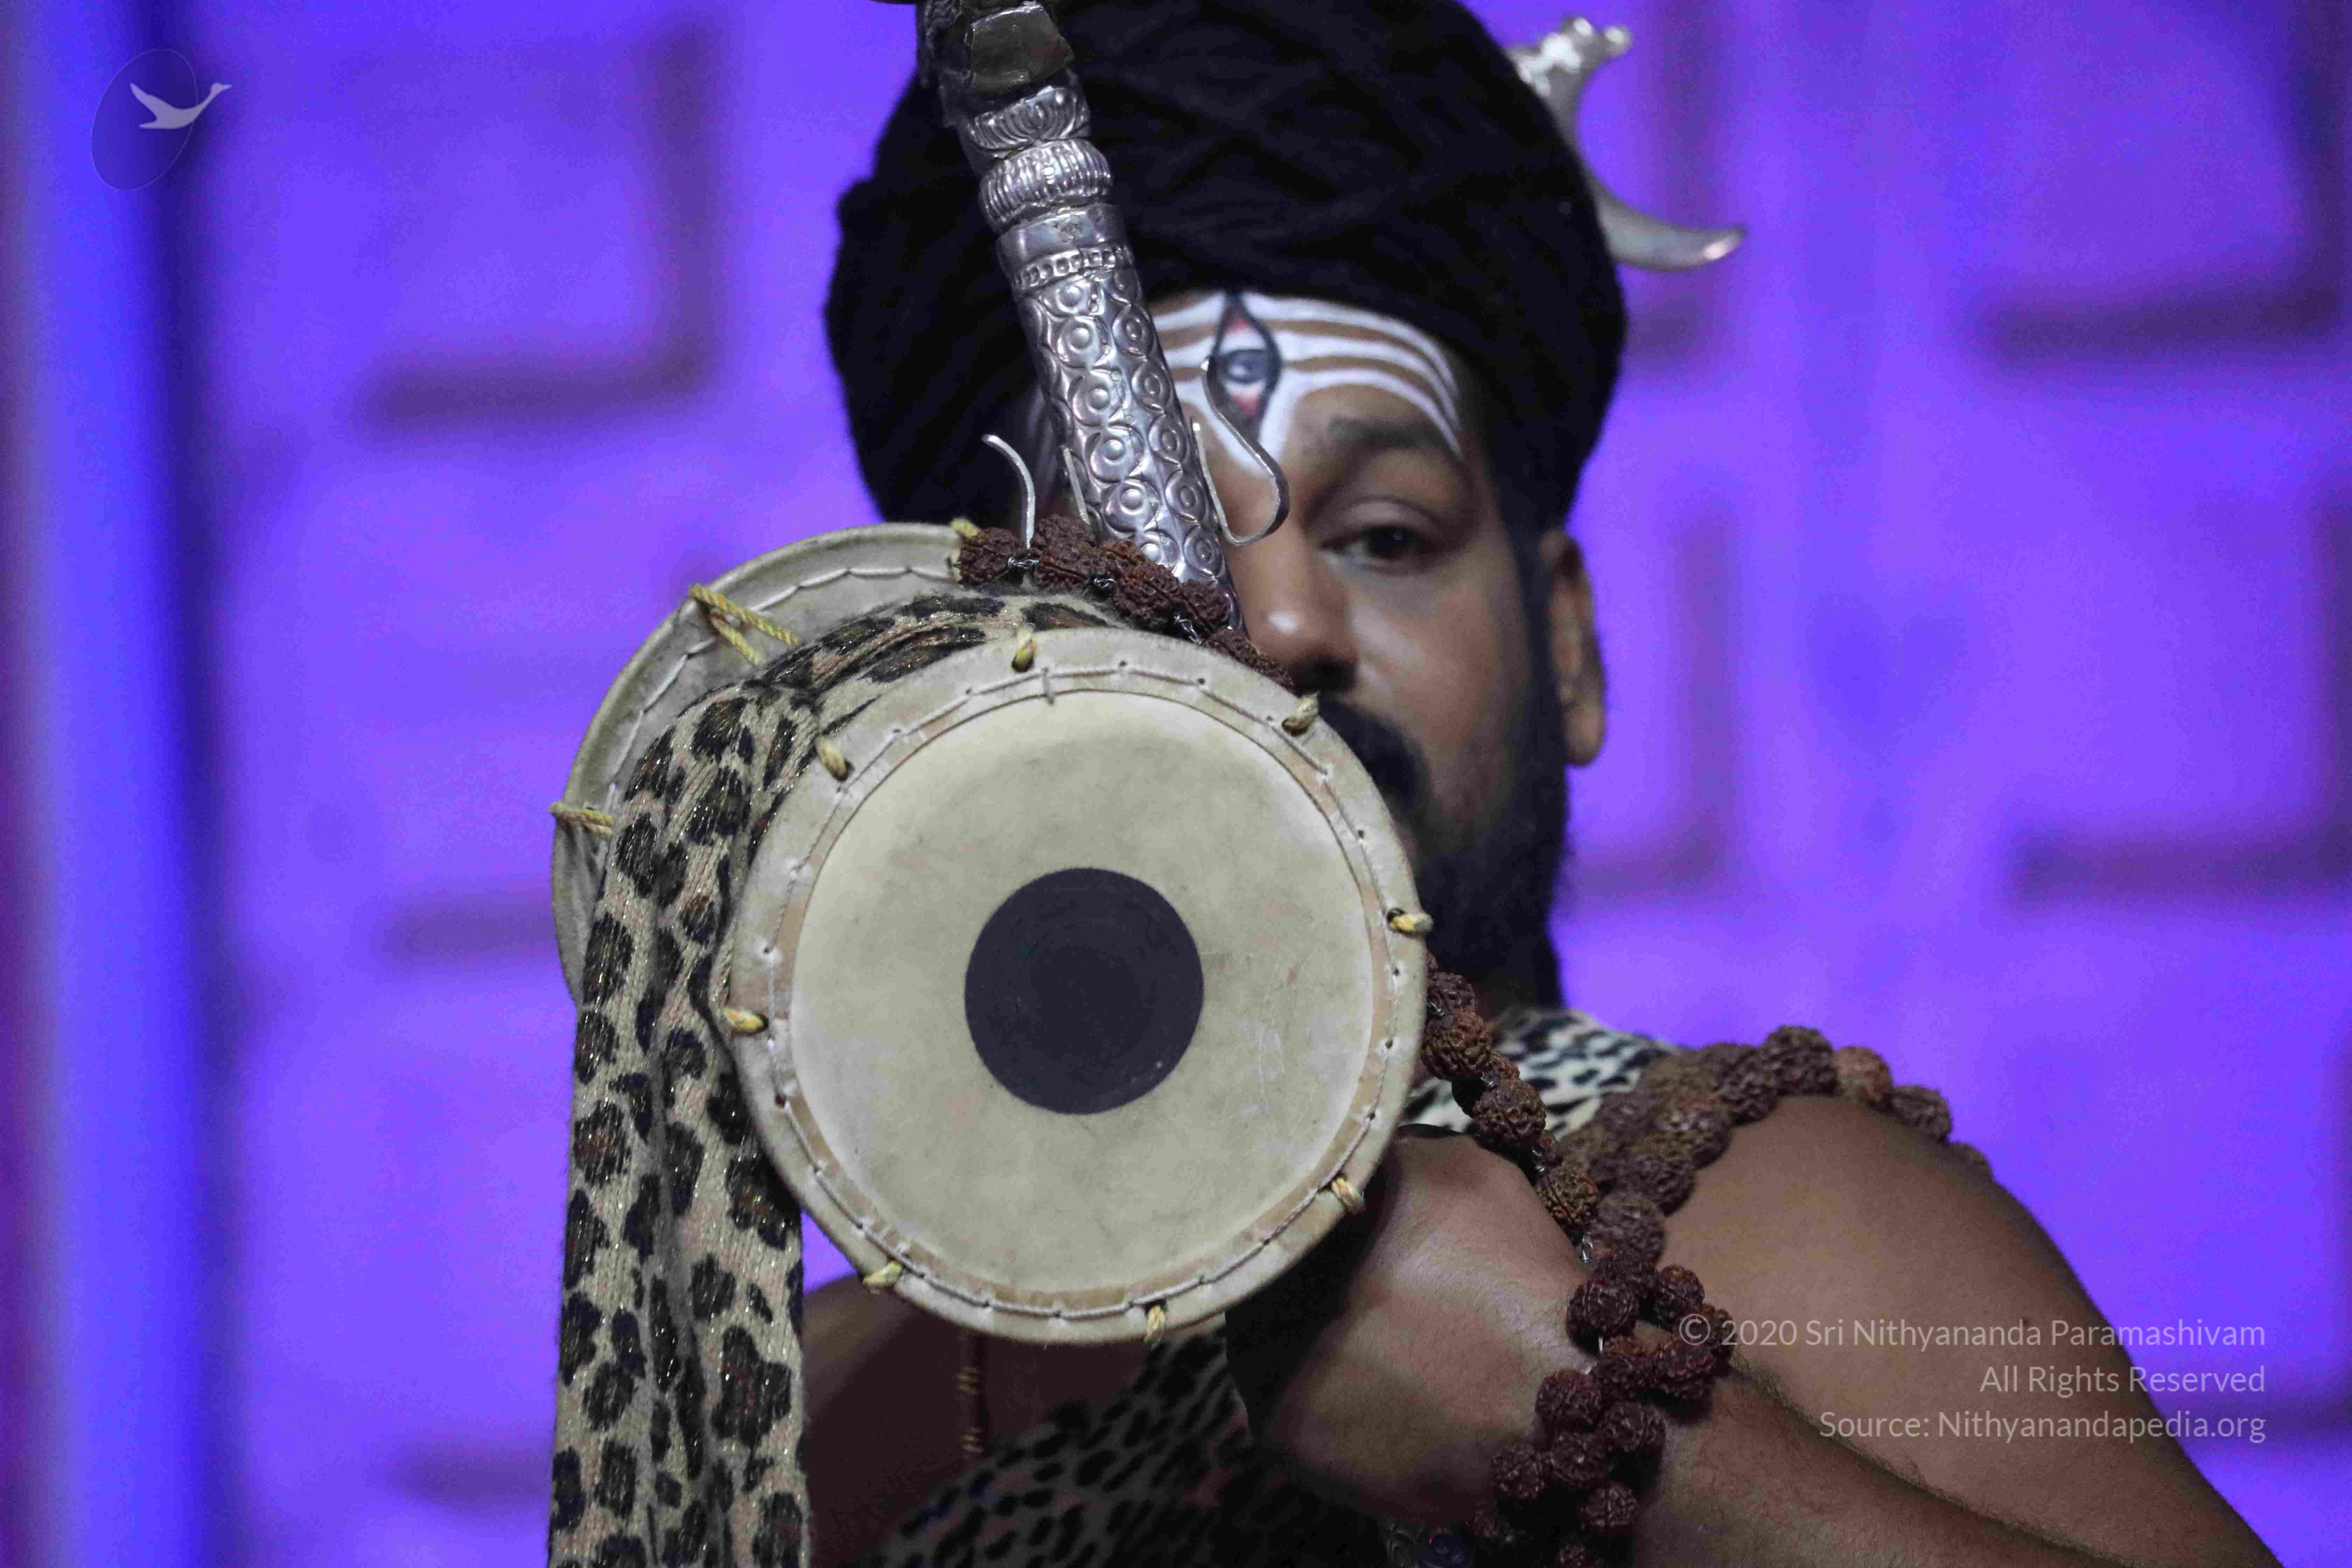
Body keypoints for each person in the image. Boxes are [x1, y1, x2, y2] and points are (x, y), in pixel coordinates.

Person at [550, 2, 2279, 1564]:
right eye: (1135, 575)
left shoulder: (1766, 1218)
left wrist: (1630, 1437)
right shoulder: (824, 1412)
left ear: (1572, 648)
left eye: (1385, 535)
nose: (1283, 626)